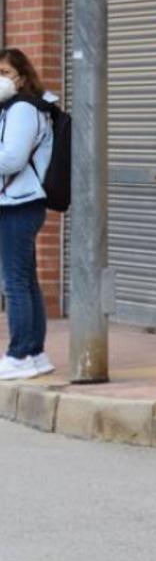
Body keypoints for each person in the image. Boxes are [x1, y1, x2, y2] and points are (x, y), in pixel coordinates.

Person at [0, 48, 55, 381]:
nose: (1, 79)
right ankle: (36, 353)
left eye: (6, 72)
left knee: (15, 282)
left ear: (22, 76)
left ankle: (20, 353)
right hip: (21, 202)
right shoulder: (16, 108)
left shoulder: (22, 109)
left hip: (18, 205)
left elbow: (11, 161)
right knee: (27, 280)